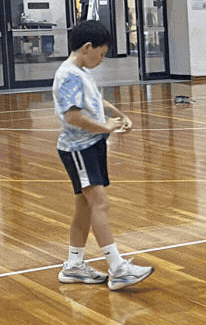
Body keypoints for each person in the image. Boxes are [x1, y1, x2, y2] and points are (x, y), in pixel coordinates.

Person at [53, 21, 154, 290]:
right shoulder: (69, 75)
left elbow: (96, 100)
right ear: (87, 47)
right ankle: (118, 268)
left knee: (85, 207)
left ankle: (74, 265)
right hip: (79, 149)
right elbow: (73, 117)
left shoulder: (81, 71)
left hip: (91, 146)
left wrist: (119, 116)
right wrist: (106, 127)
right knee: (100, 204)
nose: (101, 59)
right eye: (101, 53)